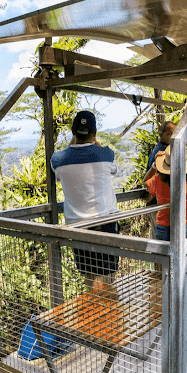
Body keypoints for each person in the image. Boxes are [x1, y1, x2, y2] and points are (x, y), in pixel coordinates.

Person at [51, 110, 120, 290]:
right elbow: (114, 170)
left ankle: (95, 305)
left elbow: (58, 173)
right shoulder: (106, 154)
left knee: (89, 277)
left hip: (78, 226)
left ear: (72, 131)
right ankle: (108, 307)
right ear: (95, 133)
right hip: (105, 222)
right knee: (107, 276)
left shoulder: (57, 159)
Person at [144, 146, 187, 240]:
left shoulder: (157, 180)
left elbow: (145, 182)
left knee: (164, 250)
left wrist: (154, 166)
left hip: (163, 227)